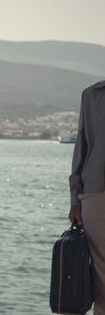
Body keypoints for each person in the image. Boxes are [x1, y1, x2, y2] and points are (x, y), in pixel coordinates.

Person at [69, 80, 105, 314]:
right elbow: (81, 149)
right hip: (95, 198)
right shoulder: (91, 95)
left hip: (94, 196)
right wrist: (75, 200)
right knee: (101, 283)